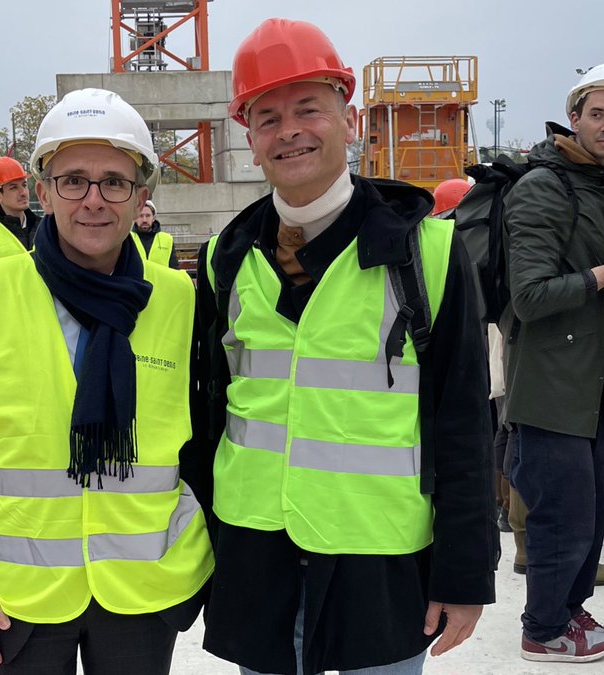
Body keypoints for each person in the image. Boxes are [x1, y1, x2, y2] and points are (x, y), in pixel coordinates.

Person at [191, 18, 495, 675]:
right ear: (250, 137)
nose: (290, 129)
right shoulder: (226, 258)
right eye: (268, 117)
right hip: (259, 556)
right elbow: (209, 415)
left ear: (349, 120)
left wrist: (466, 571)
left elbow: (465, 422)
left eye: (309, 108)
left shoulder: (428, 252)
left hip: (379, 562)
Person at [0, 87, 213, 674]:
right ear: (45, 191)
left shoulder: (179, 300)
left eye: (115, 182)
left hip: (144, 592)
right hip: (18, 596)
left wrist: (196, 579)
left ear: (140, 195)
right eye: (74, 180)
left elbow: (205, 445)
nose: (94, 201)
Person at [501, 63, 604, 662]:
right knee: (561, 516)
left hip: (594, 380)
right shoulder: (544, 185)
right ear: (574, 118)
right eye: (598, 114)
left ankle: (569, 610)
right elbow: (529, 295)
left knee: (591, 513)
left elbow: (599, 277)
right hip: (549, 384)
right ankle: (542, 630)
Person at [131, 200, 179, 268]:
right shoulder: (126, 239)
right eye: (141, 216)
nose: (144, 220)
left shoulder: (167, 239)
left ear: (153, 218)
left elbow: (174, 268)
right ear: (135, 218)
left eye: (148, 216)